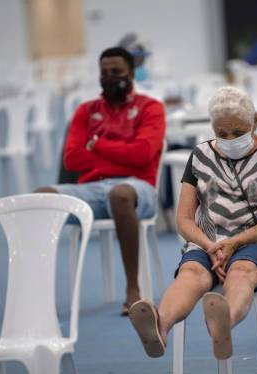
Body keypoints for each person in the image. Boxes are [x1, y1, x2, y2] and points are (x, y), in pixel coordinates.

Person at [128, 86, 257, 359]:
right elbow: (183, 220)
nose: (230, 139)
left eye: (238, 132)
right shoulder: (199, 155)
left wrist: (235, 242)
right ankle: (159, 327)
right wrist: (210, 246)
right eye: (222, 133)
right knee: (191, 274)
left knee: (241, 271)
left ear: (255, 121)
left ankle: (224, 324)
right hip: (211, 242)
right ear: (212, 127)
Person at [35, 47, 166, 315]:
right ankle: (37, 292)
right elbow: (72, 160)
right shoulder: (86, 111)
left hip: (139, 189)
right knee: (41, 196)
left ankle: (133, 290)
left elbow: (143, 154)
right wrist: (120, 154)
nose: (109, 77)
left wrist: (98, 145)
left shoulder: (150, 108)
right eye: (104, 73)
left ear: (131, 73)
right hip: (92, 190)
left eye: (116, 72)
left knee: (119, 194)